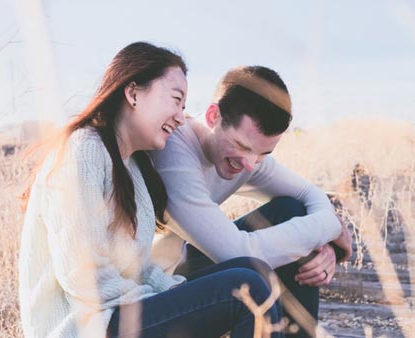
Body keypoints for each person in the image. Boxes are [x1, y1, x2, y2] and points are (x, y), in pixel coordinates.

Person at [18, 43, 284, 338]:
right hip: (85, 327)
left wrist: (179, 295)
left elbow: (138, 268)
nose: (181, 117)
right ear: (133, 93)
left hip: (118, 314)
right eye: (175, 100)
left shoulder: (131, 168)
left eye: (184, 107)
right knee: (247, 290)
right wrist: (159, 300)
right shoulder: (83, 150)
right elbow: (81, 274)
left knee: (254, 270)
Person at [150, 65, 353, 337]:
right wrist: (329, 228)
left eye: (263, 153)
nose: (250, 165)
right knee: (261, 263)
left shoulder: (249, 157)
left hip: (185, 269)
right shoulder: (173, 151)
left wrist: (323, 243)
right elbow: (238, 253)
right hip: (154, 293)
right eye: (243, 147)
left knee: (292, 210)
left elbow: (309, 195)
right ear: (214, 116)